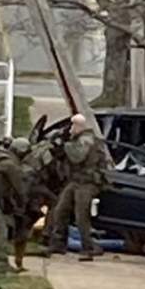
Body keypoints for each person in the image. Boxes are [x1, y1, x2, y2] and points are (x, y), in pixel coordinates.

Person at [47, 115, 112, 261]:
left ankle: (88, 248)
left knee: (81, 216)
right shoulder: (77, 140)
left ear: (79, 126)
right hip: (76, 181)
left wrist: (65, 145)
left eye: (73, 126)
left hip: (87, 182)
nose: (71, 130)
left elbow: (77, 157)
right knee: (60, 210)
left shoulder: (86, 140)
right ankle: (58, 243)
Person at [12, 134, 66, 271]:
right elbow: (50, 170)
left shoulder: (38, 149)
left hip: (32, 187)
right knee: (54, 204)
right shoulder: (45, 153)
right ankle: (46, 235)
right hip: (31, 188)